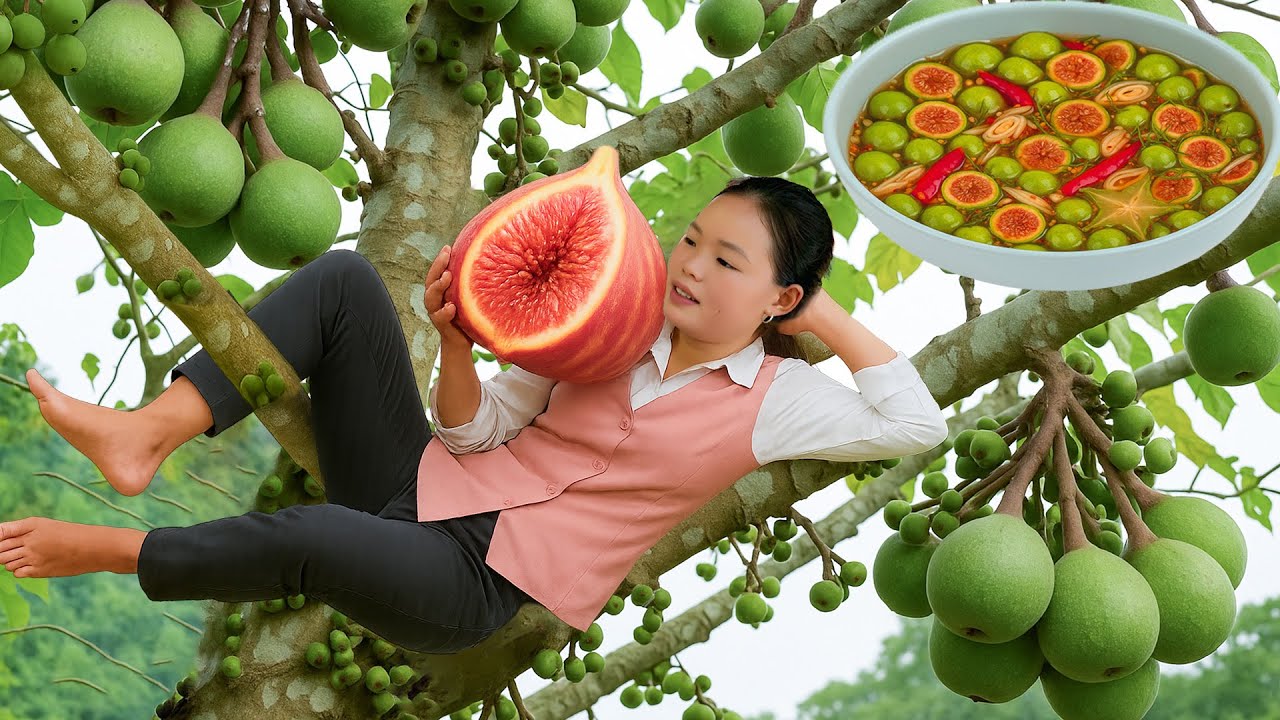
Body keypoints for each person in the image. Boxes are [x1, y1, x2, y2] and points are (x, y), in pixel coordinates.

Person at [1, 175, 949, 655]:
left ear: (779, 301)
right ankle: (149, 432)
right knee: (343, 281)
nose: (692, 266)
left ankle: (112, 550)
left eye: (728, 262)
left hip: (470, 584)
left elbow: (916, 425)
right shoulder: (612, 327)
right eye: (691, 239)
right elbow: (475, 434)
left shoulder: (781, 403)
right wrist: (455, 343)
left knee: (318, 536)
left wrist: (819, 308)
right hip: (423, 485)